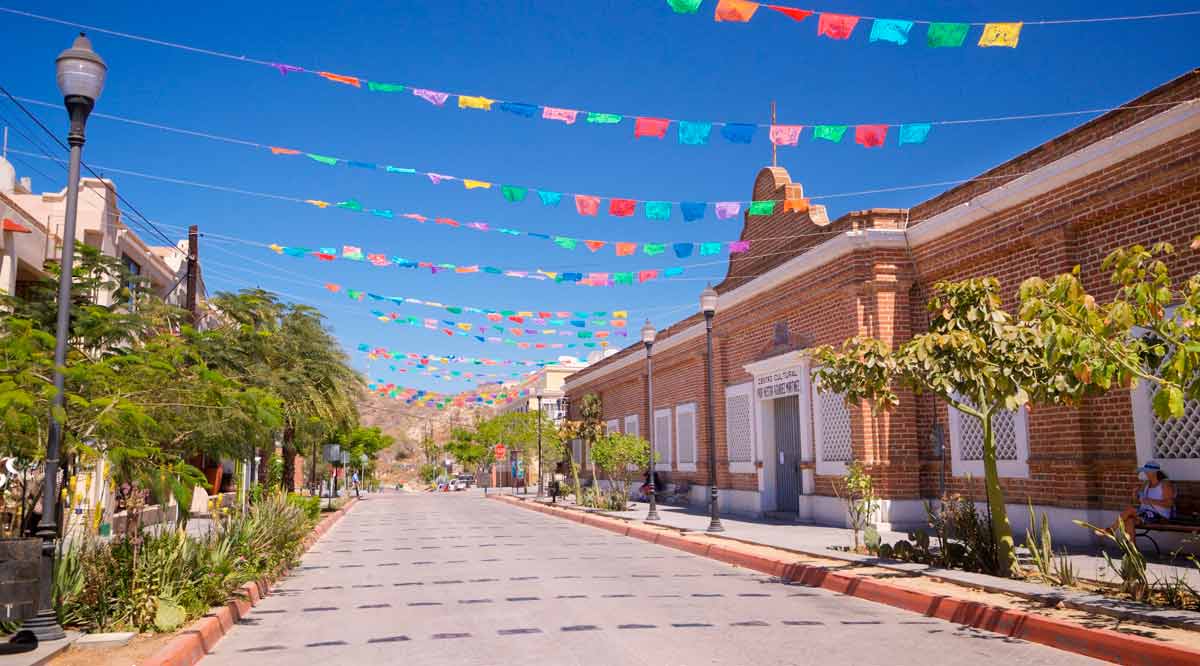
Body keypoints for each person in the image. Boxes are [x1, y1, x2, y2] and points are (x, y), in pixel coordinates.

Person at [1114, 461, 1175, 537]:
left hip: (1159, 516)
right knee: (1129, 521)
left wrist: (1150, 501)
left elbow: (1169, 504)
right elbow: (1139, 502)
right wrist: (1135, 495)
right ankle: (1132, 548)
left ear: (1154, 472)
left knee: (1130, 510)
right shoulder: (1146, 484)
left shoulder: (1165, 485)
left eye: (1147, 471)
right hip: (1145, 514)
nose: (1145, 473)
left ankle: (1111, 530)